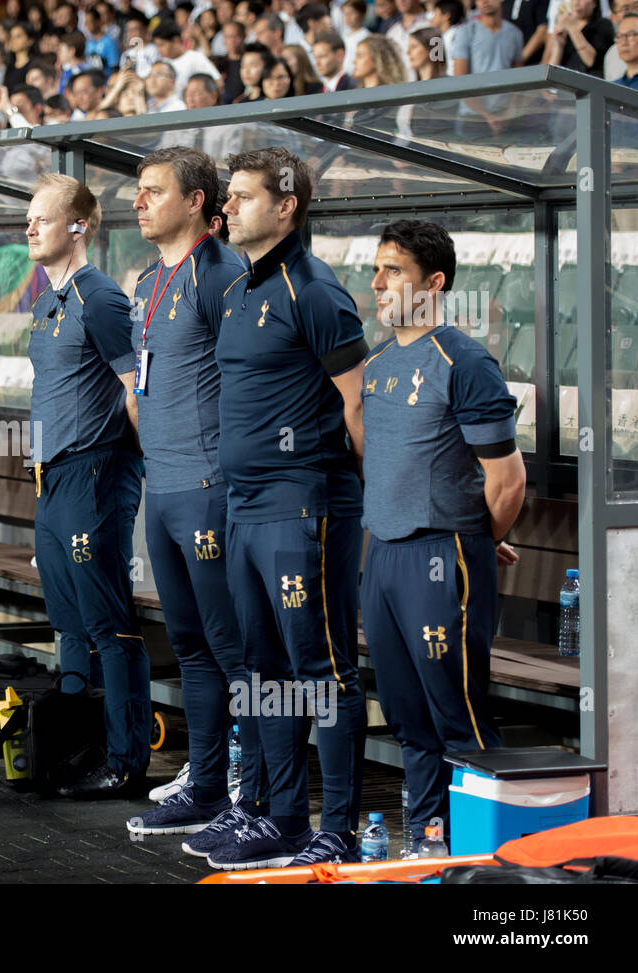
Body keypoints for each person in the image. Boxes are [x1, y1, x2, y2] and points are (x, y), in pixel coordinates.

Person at [210, 146, 370, 869]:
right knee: (261, 669)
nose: (230, 207)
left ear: (286, 206)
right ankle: (280, 817)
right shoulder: (241, 288)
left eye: (243, 197)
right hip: (243, 508)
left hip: (305, 504)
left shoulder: (317, 291)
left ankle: (336, 823)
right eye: (229, 196)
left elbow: (360, 404)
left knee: (323, 668)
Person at [110, 148, 267, 843]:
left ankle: (255, 797)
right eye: (137, 191)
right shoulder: (149, 279)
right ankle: (206, 785)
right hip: (163, 484)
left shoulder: (221, 273)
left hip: (209, 488)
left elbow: (249, 390)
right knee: (190, 646)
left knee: (236, 653)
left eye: (153, 192)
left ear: (198, 200)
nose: (138, 202)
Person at [360, 219, 525, 848]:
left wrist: (474, 538)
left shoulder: (465, 359)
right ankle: (427, 842)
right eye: (376, 268)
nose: (377, 283)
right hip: (384, 556)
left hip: (441, 555)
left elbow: (508, 482)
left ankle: (492, 850)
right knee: (406, 718)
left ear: (434, 282)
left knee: (458, 713)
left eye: (393, 270)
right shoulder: (377, 363)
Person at [24, 173, 149, 798]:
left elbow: (137, 390)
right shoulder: (48, 300)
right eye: (29, 217)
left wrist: (145, 462)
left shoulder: (100, 298)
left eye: (42, 218)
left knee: (108, 625)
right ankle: (73, 748)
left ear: (78, 226)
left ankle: (127, 763)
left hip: (96, 470)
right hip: (52, 479)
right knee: (68, 624)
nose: (30, 228)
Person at [452, 0, 526, 74]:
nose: (484, 1)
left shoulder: (515, 33)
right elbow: (460, 77)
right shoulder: (465, 32)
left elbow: (518, 72)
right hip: (477, 85)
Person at [546, 0, 615, 74]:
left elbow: (591, 61)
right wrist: (559, 45)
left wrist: (573, 29)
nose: (576, 3)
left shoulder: (603, 25)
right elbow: (551, 71)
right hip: (563, 80)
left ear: (594, 3)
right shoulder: (566, 29)